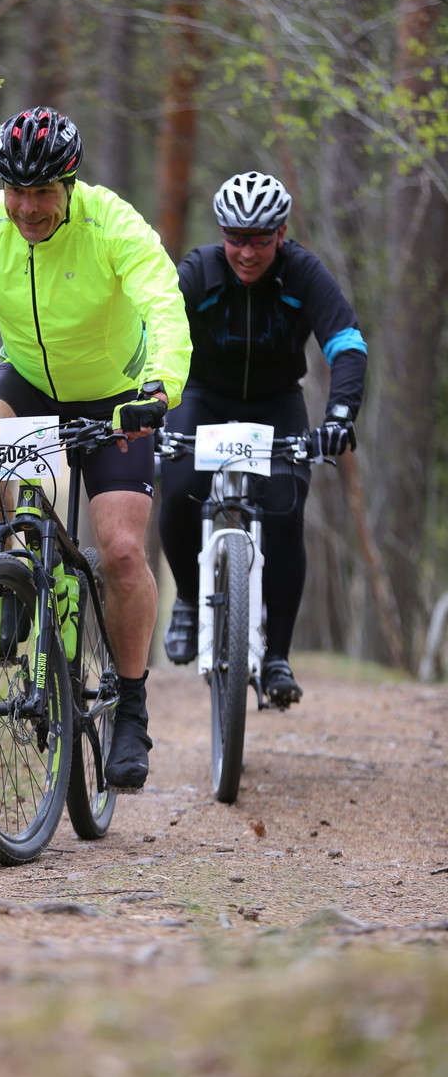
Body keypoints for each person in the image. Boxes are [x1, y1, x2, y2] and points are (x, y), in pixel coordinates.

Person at [0, 106, 192, 789]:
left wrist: (158, 389)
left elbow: (166, 306)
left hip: (116, 398)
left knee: (118, 550)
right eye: (15, 192)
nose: (27, 207)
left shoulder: (112, 223)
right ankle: (9, 578)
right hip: (28, 381)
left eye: (43, 191)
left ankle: (132, 706)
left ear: (70, 183)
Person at [158, 170, 367, 706]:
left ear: (281, 233)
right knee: (179, 485)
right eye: (236, 238)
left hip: (277, 402)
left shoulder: (303, 273)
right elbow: (154, 337)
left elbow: (346, 343)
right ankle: (186, 597)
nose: (246, 253)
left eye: (260, 239)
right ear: (221, 233)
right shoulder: (199, 272)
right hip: (204, 396)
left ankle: (277, 656)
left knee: (283, 509)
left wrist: (340, 414)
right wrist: (149, 400)